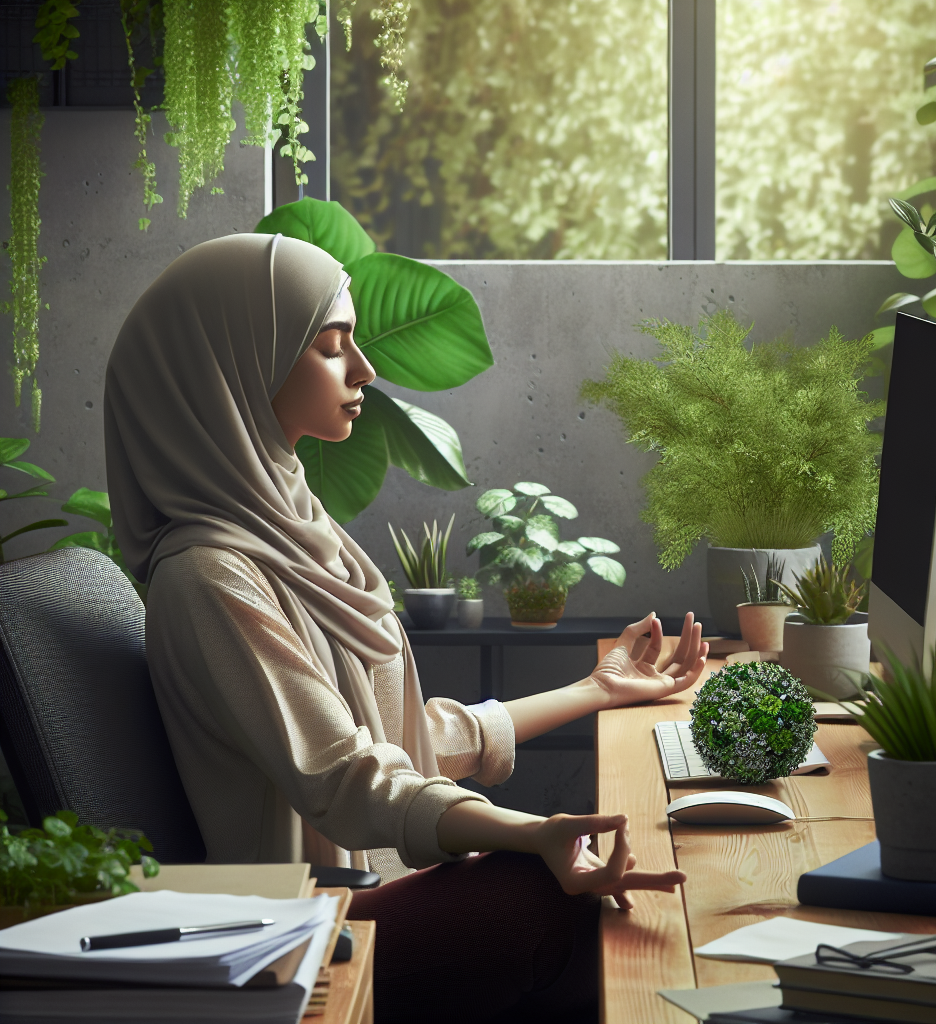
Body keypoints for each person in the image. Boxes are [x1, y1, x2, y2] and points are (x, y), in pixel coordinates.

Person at [104, 233, 709, 1023]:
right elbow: (348, 776)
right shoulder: (212, 576)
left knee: (603, 885)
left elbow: (396, 741)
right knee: (552, 896)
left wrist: (595, 689)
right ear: (235, 369)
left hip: (375, 881)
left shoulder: (291, 526)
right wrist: (532, 833)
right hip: (313, 932)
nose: (366, 371)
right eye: (331, 347)